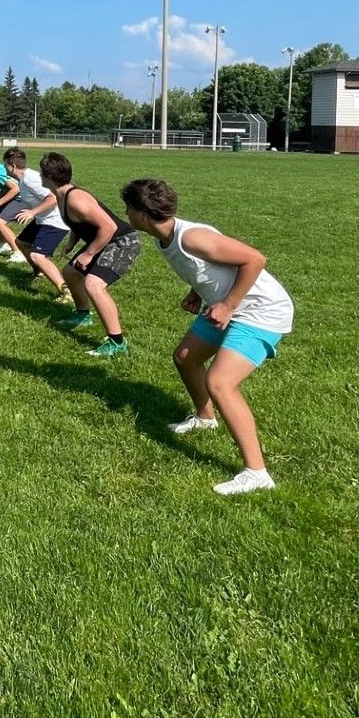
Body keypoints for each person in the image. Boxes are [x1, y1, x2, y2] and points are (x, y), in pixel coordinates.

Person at [121, 177, 295, 497]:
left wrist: (228, 305)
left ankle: (257, 473)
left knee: (220, 382)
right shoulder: (167, 236)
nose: (127, 215)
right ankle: (204, 418)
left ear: (143, 214)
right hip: (226, 305)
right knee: (186, 358)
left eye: (129, 209)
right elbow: (208, 268)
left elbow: (254, 259)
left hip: (260, 312)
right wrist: (196, 291)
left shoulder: (192, 237)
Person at [41, 152, 142, 358]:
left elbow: (108, 227)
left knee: (94, 285)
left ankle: (117, 343)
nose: (40, 176)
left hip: (122, 242)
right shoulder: (62, 195)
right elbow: (80, 222)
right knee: (70, 273)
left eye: (42, 172)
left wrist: (88, 254)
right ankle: (82, 315)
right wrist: (72, 243)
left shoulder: (75, 198)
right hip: (105, 240)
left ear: (49, 176)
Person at [0, 148, 70, 288]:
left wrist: (32, 213)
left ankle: (64, 289)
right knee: (21, 243)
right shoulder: (23, 180)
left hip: (55, 221)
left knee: (37, 255)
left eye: (5, 165)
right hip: (43, 219)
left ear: (12, 166)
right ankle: (40, 271)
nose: (4, 168)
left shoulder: (30, 179)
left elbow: (53, 198)